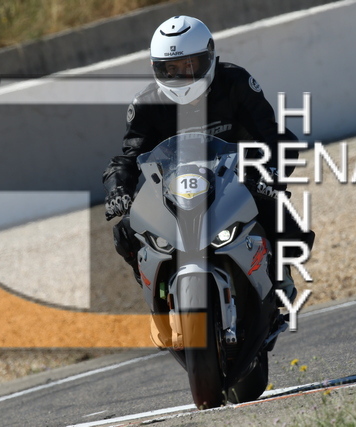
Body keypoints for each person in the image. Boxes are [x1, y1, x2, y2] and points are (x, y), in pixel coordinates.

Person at [102, 15, 314, 304]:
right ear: (156, 68)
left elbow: (271, 135)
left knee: (285, 225)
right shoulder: (145, 104)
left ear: (209, 57)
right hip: (173, 189)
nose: (182, 75)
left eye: (190, 65)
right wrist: (118, 189)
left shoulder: (236, 82)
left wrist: (270, 173)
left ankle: (277, 278)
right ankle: (154, 287)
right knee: (126, 230)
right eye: (171, 68)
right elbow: (128, 158)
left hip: (239, 178)